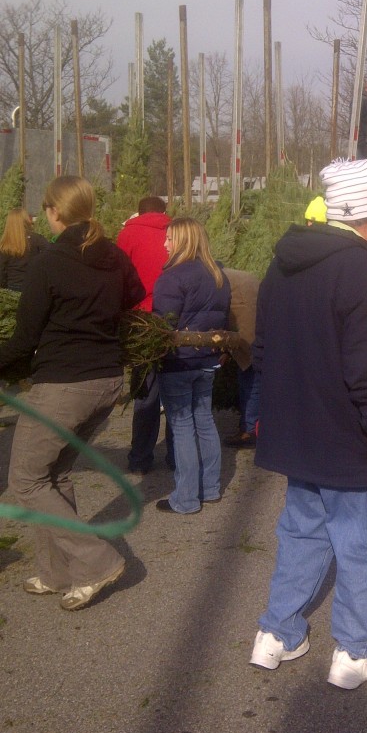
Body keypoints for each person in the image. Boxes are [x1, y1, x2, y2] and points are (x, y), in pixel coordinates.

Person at [251, 157, 367, 690]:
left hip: (296, 432)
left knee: (300, 533)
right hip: (349, 441)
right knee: (362, 545)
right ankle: (356, 652)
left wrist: (263, 417)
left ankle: (276, 634)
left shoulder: (282, 264)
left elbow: (263, 349)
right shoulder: (365, 274)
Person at [0, 176, 144, 610]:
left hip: (65, 385)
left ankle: (97, 560)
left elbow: (25, 339)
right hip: (106, 381)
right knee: (54, 475)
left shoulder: (50, 261)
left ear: (53, 212)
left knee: (24, 481)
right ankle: (58, 571)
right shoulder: (113, 255)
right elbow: (135, 295)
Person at [153, 218, 231, 515]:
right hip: (207, 360)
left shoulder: (173, 277)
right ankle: (210, 488)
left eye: (169, 238)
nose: (165, 244)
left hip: (179, 360)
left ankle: (185, 498)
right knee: (205, 421)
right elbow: (222, 319)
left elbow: (163, 324)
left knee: (182, 427)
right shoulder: (217, 274)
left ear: (182, 241)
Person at [116, 196, 175, 475]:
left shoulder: (128, 234)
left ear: (139, 212)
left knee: (145, 392)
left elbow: (118, 277)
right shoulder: (177, 231)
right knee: (176, 391)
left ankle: (140, 459)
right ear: (164, 211)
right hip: (174, 317)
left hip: (141, 321)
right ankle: (177, 457)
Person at [221, 267, 261, 450]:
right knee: (254, 378)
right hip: (258, 330)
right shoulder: (238, 276)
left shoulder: (217, 279)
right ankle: (253, 426)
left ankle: (250, 430)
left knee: (250, 380)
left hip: (246, 333)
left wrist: (223, 349)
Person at [0, 208, 49, 290]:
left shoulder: (5, 243)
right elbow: (49, 258)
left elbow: (1, 270)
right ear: (26, 220)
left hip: (12, 285)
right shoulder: (37, 239)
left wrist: (3, 286)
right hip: (32, 285)